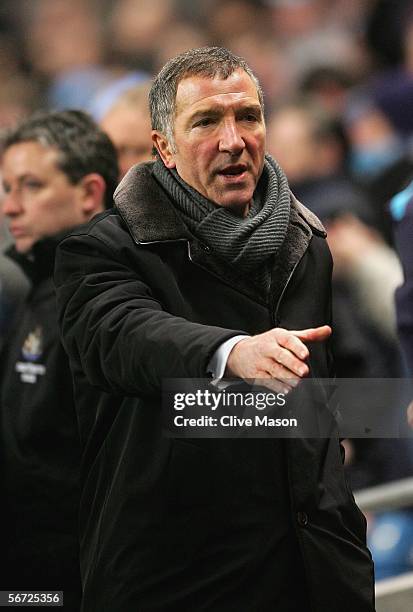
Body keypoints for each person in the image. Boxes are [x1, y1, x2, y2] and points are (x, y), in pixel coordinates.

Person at [54, 47, 374, 611]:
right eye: (205, 121)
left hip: (312, 575)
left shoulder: (307, 242)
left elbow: (311, 412)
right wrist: (230, 353)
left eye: (247, 117)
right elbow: (123, 336)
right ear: (164, 149)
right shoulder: (103, 248)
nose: (233, 140)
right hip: (179, 580)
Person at [0, 110, 119, 610]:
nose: (10, 207)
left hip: (76, 580)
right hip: (29, 575)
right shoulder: (35, 288)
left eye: (30, 186)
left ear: (89, 193)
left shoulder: (106, 298)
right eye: (6, 188)